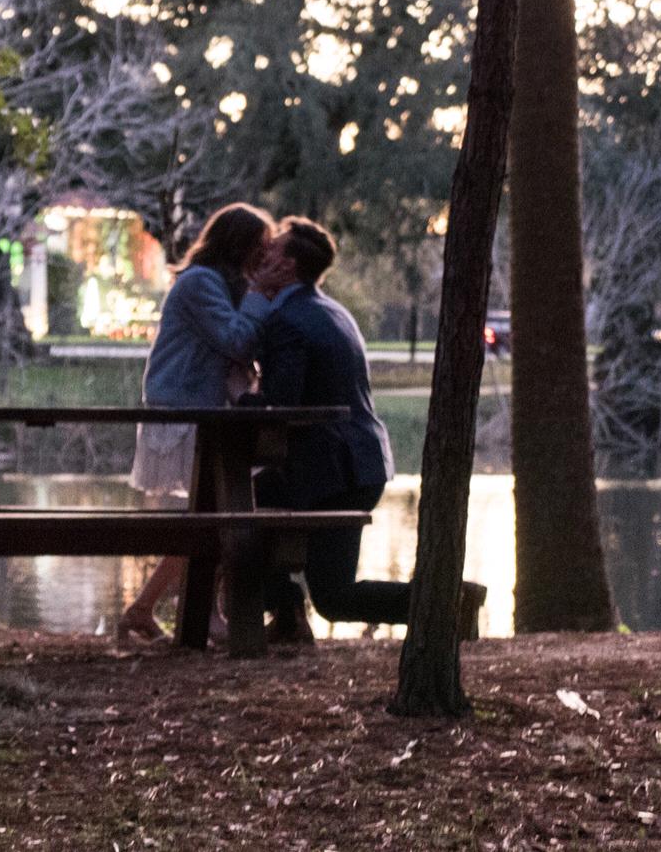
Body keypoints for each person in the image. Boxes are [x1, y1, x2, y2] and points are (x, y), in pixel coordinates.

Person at [250, 217, 485, 641]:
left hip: (329, 473)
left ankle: (452, 603)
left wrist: (237, 401)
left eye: (272, 250)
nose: (261, 255)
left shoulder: (287, 320)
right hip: (358, 464)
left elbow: (279, 405)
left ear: (288, 266)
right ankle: (285, 611)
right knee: (246, 505)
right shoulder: (330, 310)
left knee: (331, 595)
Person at [117, 202, 297, 641]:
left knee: (215, 515)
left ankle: (148, 609)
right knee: (215, 516)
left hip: (208, 414)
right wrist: (258, 297)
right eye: (258, 249)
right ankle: (180, 612)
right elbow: (235, 340)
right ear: (237, 246)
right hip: (184, 413)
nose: (262, 260)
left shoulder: (222, 286)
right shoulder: (200, 283)